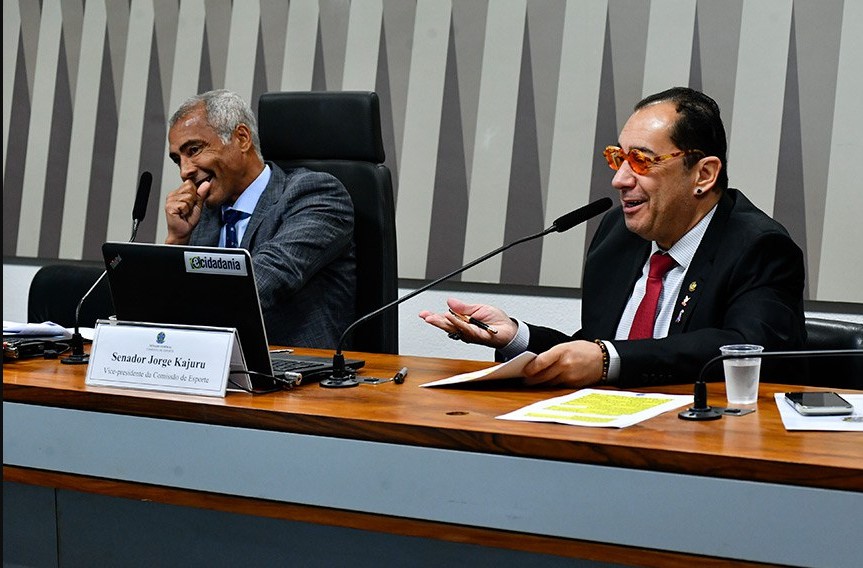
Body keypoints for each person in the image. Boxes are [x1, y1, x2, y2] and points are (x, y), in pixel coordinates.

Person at [420, 87, 806, 388]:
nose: (619, 179)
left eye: (641, 161)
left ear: (703, 174)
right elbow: (595, 346)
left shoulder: (759, 246)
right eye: (617, 158)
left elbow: (748, 349)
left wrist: (607, 359)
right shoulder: (618, 236)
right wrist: (517, 337)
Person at [164, 89, 355, 348]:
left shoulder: (316, 195)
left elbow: (264, 280)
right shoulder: (205, 214)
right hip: (209, 368)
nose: (185, 171)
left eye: (194, 150)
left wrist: (180, 303)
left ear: (242, 138)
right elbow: (167, 308)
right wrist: (178, 239)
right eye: (178, 160)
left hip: (293, 373)